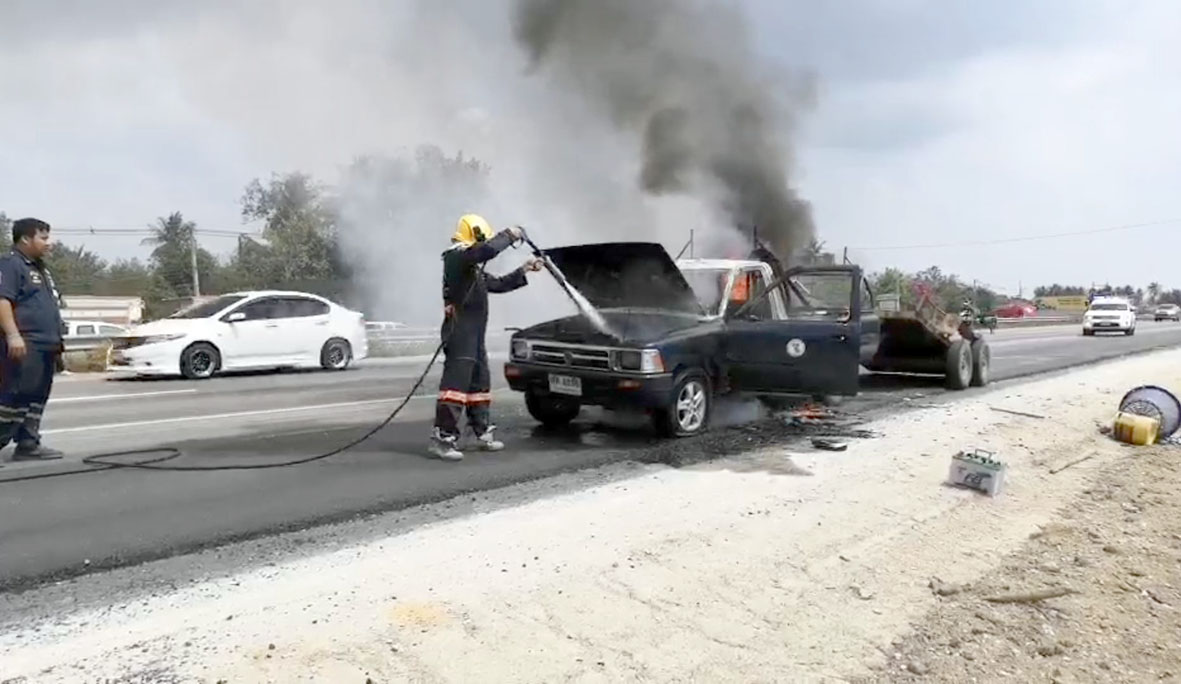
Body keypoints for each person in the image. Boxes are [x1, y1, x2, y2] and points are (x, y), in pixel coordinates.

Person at [429, 214, 542, 461]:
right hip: (460, 333)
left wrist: (524, 270)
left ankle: (479, 433)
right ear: (476, 235)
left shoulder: (472, 269)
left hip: (475, 335)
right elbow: (487, 250)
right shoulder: (456, 258)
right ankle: (442, 439)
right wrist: (510, 234)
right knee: (454, 388)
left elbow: (499, 284)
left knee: (479, 385)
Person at [0, 218, 66, 465]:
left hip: (46, 344)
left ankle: (28, 444)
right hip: (24, 342)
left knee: (37, 397)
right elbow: (3, 300)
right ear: (26, 239)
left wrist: (57, 342)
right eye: (44, 238)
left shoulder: (40, 269)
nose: (49, 243)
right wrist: (12, 335)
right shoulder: (11, 265)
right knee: (13, 397)